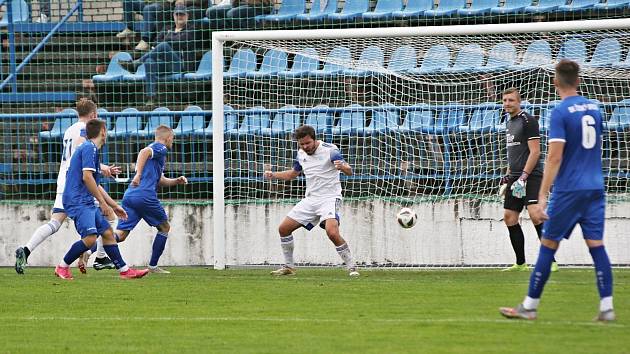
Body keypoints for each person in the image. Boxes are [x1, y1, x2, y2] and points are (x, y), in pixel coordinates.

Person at [500, 60, 614, 322]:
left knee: (548, 246)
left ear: (555, 82)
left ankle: (529, 306)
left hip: (570, 189)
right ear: (579, 80)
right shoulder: (595, 109)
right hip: (595, 186)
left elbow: (553, 157)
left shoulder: (560, 111)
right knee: (597, 246)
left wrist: (542, 196)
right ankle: (607, 307)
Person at [15, 99, 120, 275]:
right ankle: (99, 257)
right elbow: (81, 158)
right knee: (108, 215)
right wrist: (102, 169)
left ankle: (25, 251)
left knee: (55, 223)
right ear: (93, 115)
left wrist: (101, 168)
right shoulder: (84, 132)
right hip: (77, 184)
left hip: (63, 180)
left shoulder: (69, 130)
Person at [55, 119, 149, 280]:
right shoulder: (89, 148)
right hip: (77, 201)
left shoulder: (91, 150)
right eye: (107, 129)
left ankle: (125, 271)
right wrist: (104, 205)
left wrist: (113, 206)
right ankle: (62, 266)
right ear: (103, 131)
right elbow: (87, 177)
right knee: (90, 238)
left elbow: (96, 185)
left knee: (107, 233)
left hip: (84, 200)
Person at [264, 125, 359, 277]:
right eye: (301, 144)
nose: (305, 146)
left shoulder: (330, 150)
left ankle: (351, 267)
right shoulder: (300, 154)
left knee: (332, 232)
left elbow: (349, 171)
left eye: (308, 143)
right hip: (311, 199)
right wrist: (274, 175)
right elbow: (293, 174)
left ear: (314, 139)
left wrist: (342, 167)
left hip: (330, 198)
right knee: (283, 229)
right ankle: (289, 266)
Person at [113, 125, 188, 274]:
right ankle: (153, 266)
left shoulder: (156, 158)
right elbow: (143, 151)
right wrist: (138, 174)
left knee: (120, 236)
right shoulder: (160, 148)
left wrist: (176, 181)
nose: (172, 141)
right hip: (145, 196)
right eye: (172, 138)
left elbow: (159, 180)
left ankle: (91, 247)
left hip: (131, 196)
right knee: (165, 227)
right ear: (168, 138)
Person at [499, 88, 557, 272]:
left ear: (519, 102)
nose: (507, 103)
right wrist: (508, 176)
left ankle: (551, 261)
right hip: (515, 177)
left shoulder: (528, 120)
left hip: (530, 176)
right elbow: (513, 154)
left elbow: (535, 151)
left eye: (511, 100)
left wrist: (524, 176)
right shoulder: (509, 123)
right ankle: (521, 263)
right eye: (505, 100)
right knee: (509, 217)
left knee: (535, 214)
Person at [119, 4, 200, 106]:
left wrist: (167, 40)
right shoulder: (167, 28)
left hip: (179, 65)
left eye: (182, 14)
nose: (180, 17)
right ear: (174, 16)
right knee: (149, 61)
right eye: (177, 14)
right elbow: (156, 43)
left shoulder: (191, 29)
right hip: (164, 64)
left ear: (187, 16)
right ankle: (151, 98)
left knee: (164, 45)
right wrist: (168, 41)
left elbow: (180, 41)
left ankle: (137, 63)